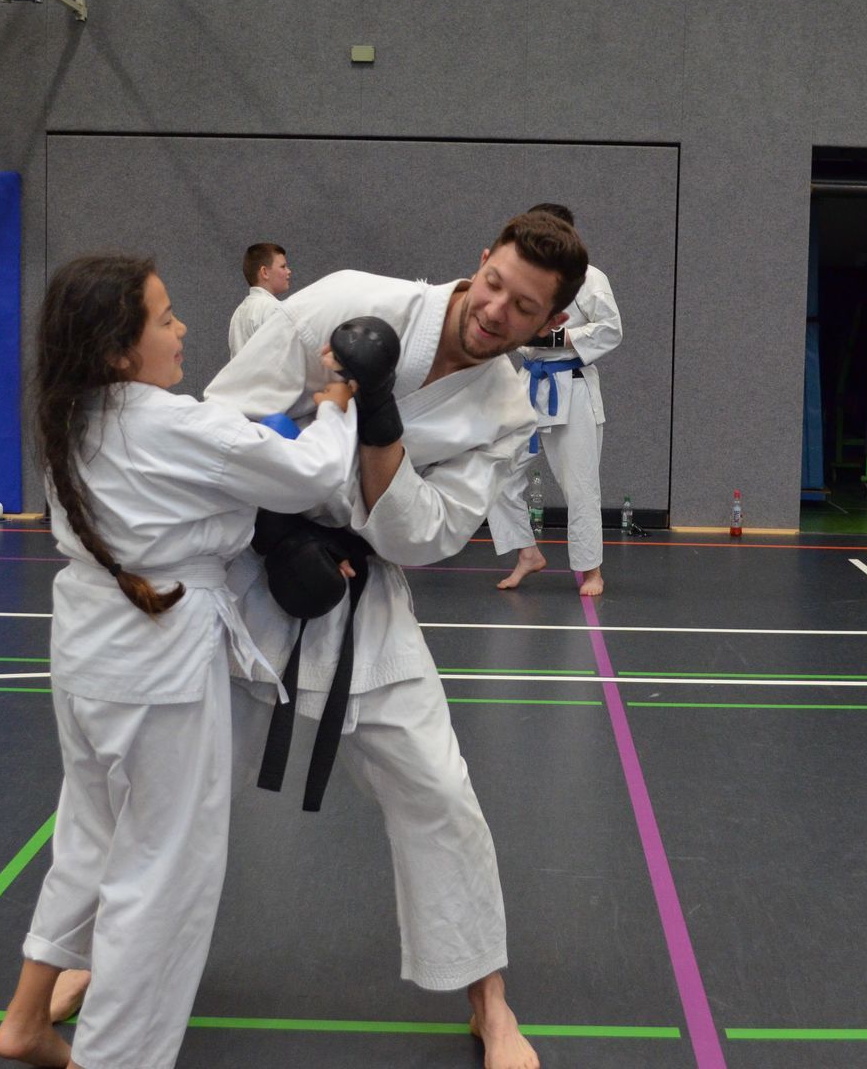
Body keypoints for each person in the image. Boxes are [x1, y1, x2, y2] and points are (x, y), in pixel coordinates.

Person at [77, 210, 582, 1069]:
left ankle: (489, 1004)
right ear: (481, 260)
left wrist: (378, 416)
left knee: (440, 792)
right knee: (163, 787)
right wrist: (275, 531)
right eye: (495, 284)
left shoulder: (504, 409)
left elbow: (424, 536)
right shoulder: (348, 300)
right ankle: (100, 961)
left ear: (552, 320)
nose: (497, 311)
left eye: (525, 308)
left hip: (360, 596)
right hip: (245, 572)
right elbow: (225, 416)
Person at [0, 253, 359, 1069]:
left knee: (91, 834)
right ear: (118, 350)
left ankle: (26, 1017)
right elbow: (311, 474)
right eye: (164, 318)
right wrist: (338, 403)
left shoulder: (71, 415)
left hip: (87, 653)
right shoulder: (172, 424)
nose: (183, 328)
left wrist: (281, 427)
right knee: (163, 873)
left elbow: (223, 459)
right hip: (158, 665)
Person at [488, 204, 623, 597]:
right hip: (527, 384)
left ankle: (591, 570)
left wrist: (554, 338)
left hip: (572, 386)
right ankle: (527, 553)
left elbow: (611, 329)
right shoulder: (521, 277)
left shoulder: (590, 278)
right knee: (496, 472)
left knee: (580, 486)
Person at [228, 242, 293, 358]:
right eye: (283, 266)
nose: (289, 271)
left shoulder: (238, 313)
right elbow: (283, 358)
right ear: (264, 272)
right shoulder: (274, 309)